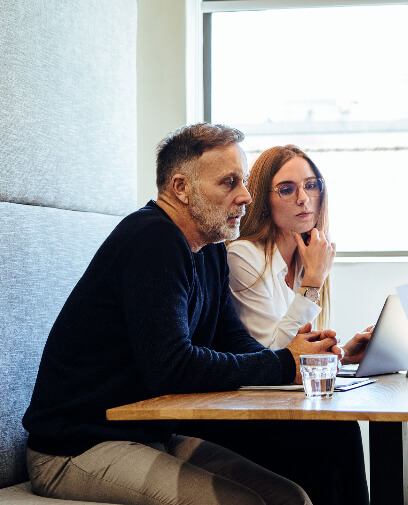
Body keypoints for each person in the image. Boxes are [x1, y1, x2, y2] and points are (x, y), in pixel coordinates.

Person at [22, 123, 343, 505]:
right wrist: (281, 365)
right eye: (229, 182)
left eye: (243, 181)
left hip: (149, 437)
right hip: (76, 448)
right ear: (181, 188)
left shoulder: (207, 248)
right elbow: (172, 366)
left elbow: (232, 341)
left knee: (291, 497)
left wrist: (293, 361)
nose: (245, 196)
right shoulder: (152, 239)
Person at [176, 145, 372, 505]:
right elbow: (272, 355)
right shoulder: (242, 257)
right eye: (287, 189)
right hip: (244, 408)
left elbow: (298, 351)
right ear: (262, 199)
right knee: (336, 437)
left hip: (276, 400)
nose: (304, 198)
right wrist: (313, 280)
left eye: (312, 185)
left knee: (339, 438)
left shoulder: (305, 255)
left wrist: (339, 356)